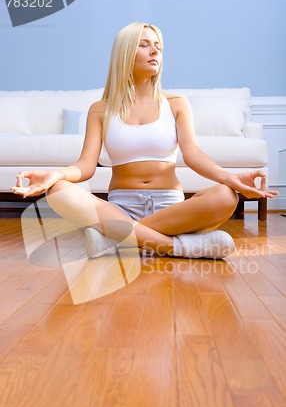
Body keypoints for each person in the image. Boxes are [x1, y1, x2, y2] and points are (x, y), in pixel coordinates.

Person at [11, 22, 278, 259]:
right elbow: (86, 166)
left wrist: (229, 178)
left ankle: (114, 239)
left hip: (171, 208)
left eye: (158, 46)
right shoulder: (100, 109)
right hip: (119, 209)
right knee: (58, 190)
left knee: (226, 195)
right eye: (144, 45)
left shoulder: (176, 104)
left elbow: (193, 153)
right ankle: (176, 246)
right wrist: (55, 174)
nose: (155, 51)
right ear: (125, 53)